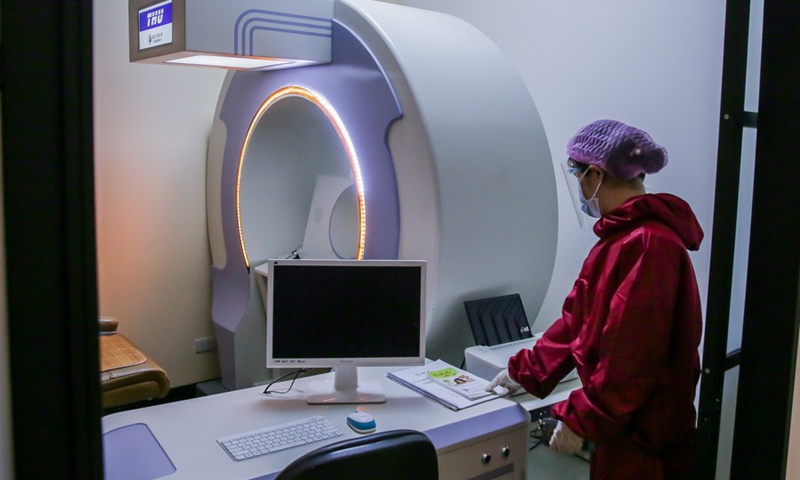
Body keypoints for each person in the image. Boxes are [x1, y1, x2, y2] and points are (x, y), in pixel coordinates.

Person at [487, 119, 704, 480]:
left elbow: (632, 354)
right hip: (624, 429)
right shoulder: (620, 239)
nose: (579, 187)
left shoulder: (649, 244)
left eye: (578, 175)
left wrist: (583, 418)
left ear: (596, 174)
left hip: (645, 437)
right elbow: (578, 321)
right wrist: (522, 372)